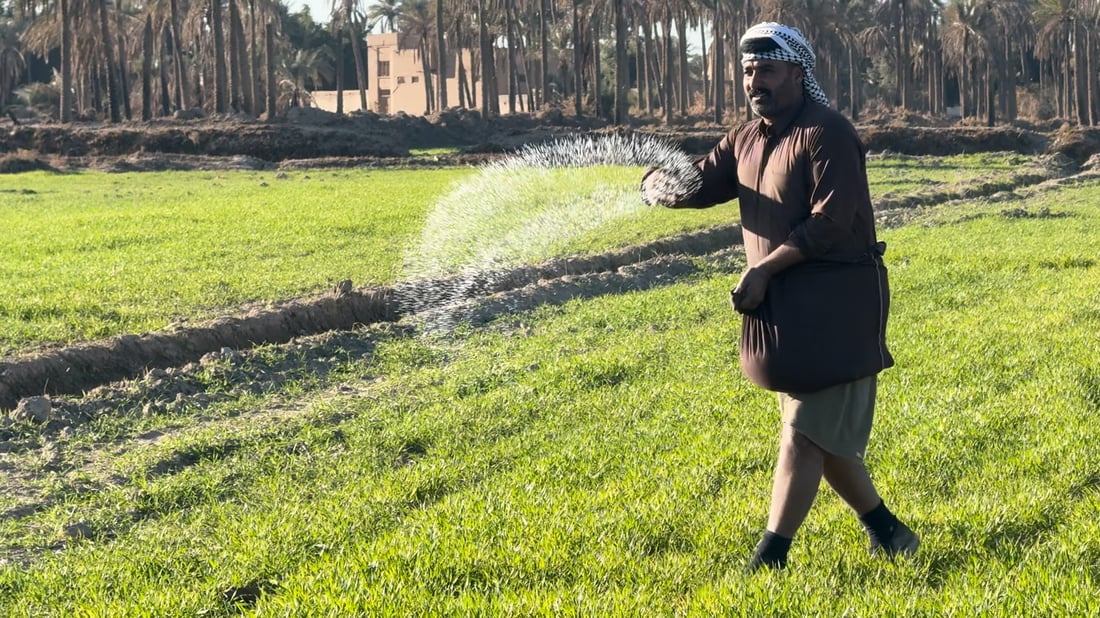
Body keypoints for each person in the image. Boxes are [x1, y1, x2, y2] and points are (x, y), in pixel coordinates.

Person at [640, 22, 918, 571]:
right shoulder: (746, 138)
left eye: (766, 69)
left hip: (836, 304)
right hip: (786, 309)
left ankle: (770, 557)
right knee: (817, 432)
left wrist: (765, 268)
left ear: (797, 72)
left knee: (803, 432)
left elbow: (832, 222)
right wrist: (659, 182)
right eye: (747, 71)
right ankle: (890, 533)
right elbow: (701, 182)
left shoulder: (826, 132)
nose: (754, 81)